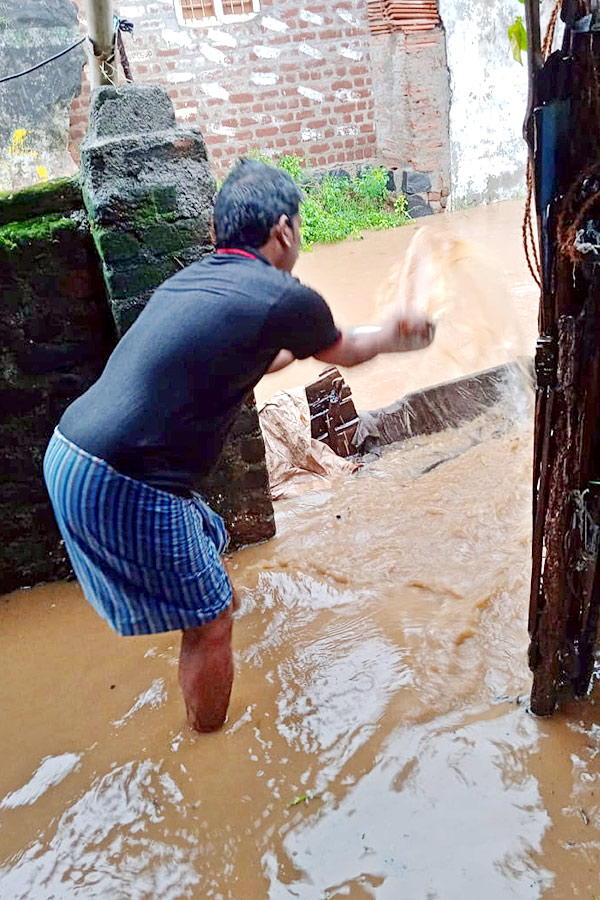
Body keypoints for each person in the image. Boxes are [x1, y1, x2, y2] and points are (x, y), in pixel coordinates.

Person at [43, 159, 434, 733]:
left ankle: (204, 624)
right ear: (284, 230)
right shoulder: (282, 296)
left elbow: (264, 356)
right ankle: (209, 744)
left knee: (209, 550)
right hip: (122, 478)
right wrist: (399, 333)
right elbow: (344, 350)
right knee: (211, 620)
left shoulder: (194, 281)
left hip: (69, 454)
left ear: (216, 234)